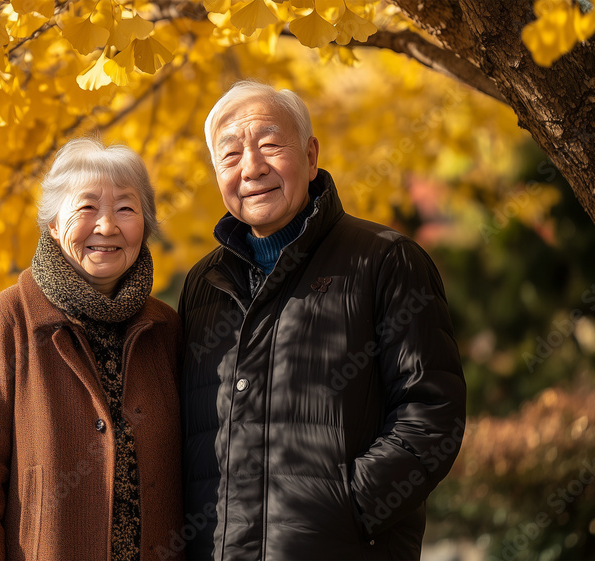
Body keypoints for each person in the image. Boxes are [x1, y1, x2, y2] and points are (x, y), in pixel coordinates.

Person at [179, 81, 467, 560]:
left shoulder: (384, 260)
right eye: (230, 155)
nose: (252, 167)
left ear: (311, 156)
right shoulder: (203, 285)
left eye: (270, 145)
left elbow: (431, 412)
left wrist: (345, 510)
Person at [0, 138, 184, 560]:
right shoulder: (10, 318)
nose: (106, 226)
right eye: (87, 206)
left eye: (125, 209)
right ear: (54, 223)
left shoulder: (166, 328)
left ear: (145, 226)